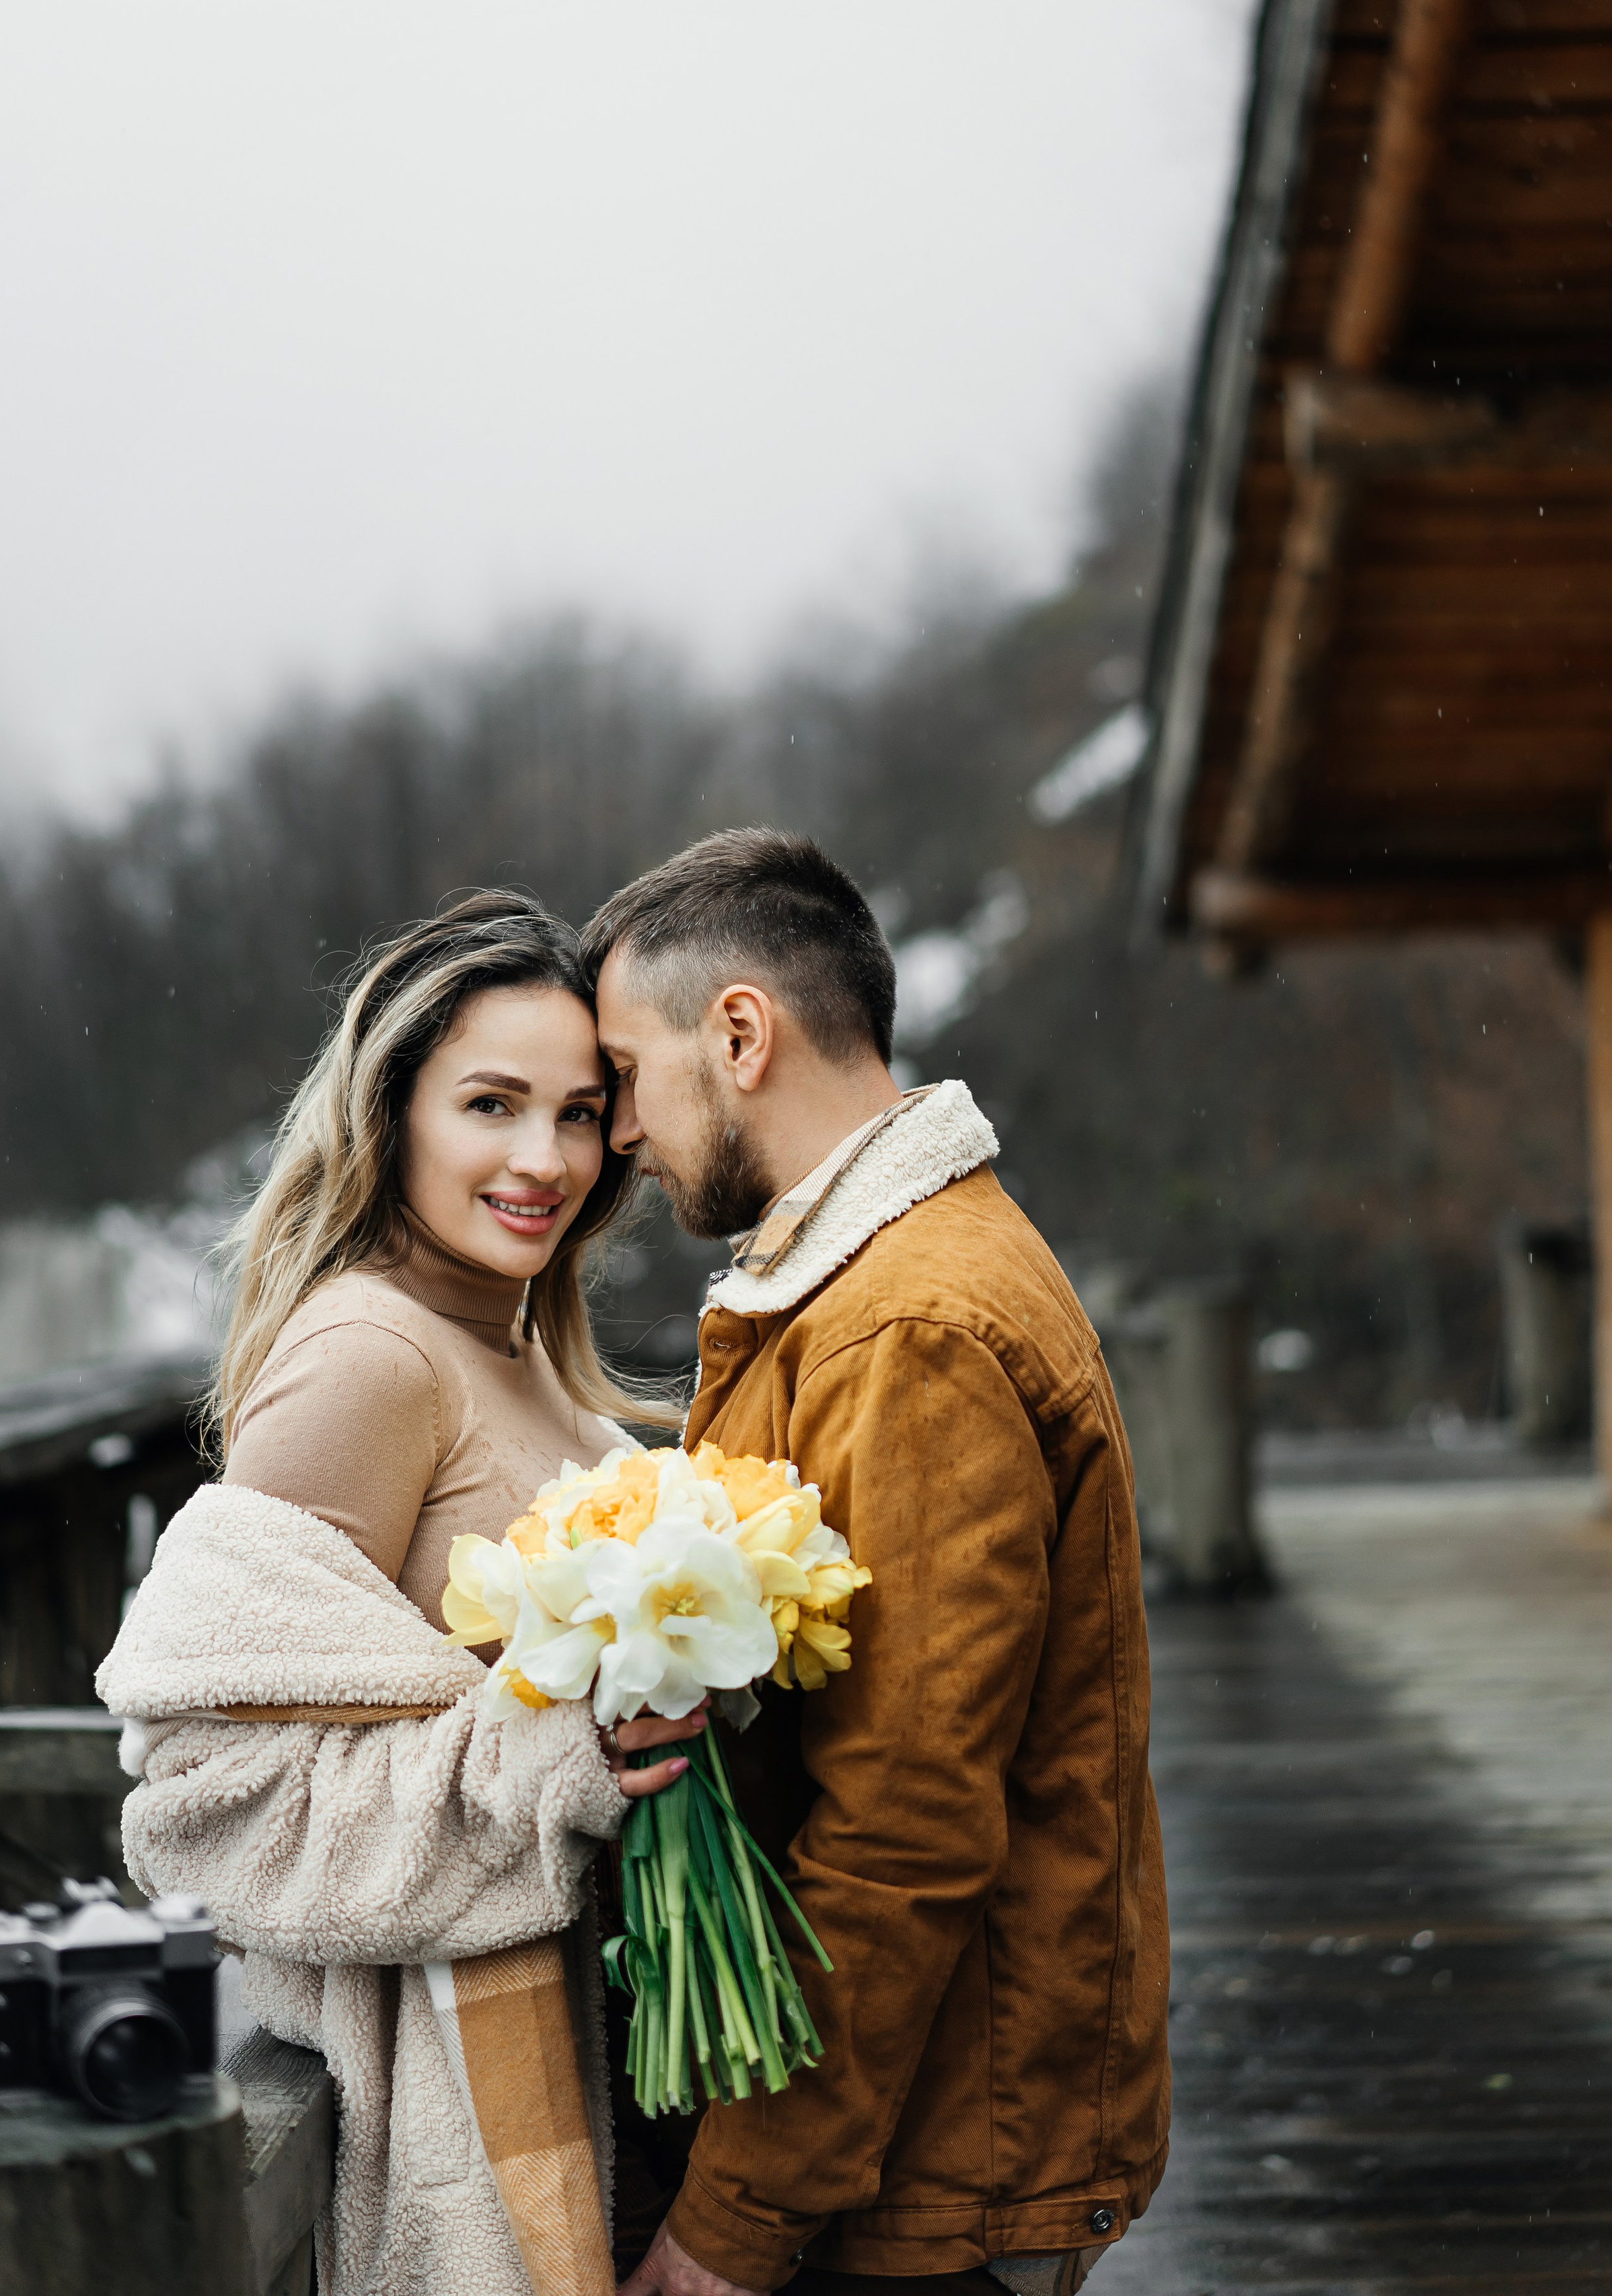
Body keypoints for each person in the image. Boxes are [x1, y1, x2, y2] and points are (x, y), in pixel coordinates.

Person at [582, 830, 1169, 2296]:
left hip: (934, 2180)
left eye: (622, 1078)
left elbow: (904, 1827)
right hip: (913, 2140)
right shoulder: (865, 1285)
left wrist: (730, 2222)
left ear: (738, 1033)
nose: (614, 1137)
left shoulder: (905, 1333)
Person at [98, 893, 702, 2296]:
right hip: (491, 2095)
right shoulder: (369, 1356)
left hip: (623, 2071)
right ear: (393, 1113)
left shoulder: (518, 1345)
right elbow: (203, 1807)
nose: (541, 1158)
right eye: (489, 1103)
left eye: (577, 1110)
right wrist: (552, 1756)